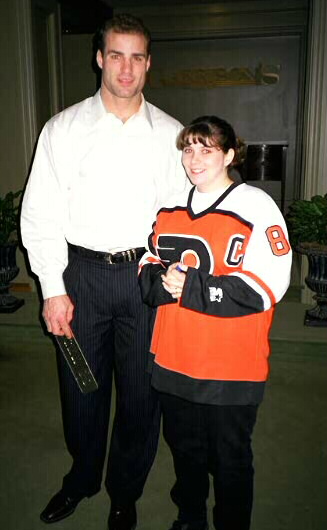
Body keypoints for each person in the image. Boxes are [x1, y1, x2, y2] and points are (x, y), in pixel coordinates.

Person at [21, 14, 187, 530]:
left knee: (142, 395)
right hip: (81, 278)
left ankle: (124, 490)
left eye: (137, 56)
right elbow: (41, 213)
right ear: (99, 57)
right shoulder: (63, 129)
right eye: (116, 54)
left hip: (145, 278)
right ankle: (82, 478)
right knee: (81, 388)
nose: (126, 68)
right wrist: (52, 288)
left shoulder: (171, 135)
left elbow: (185, 215)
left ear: (148, 63)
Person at [138, 116, 292, 530]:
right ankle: (189, 519)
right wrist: (157, 279)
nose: (194, 158)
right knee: (185, 451)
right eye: (189, 148)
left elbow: (268, 285)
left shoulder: (257, 206)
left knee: (230, 458)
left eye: (207, 149)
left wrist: (192, 287)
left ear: (228, 154)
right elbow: (148, 258)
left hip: (230, 367)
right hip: (173, 358)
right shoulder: (169, 205)